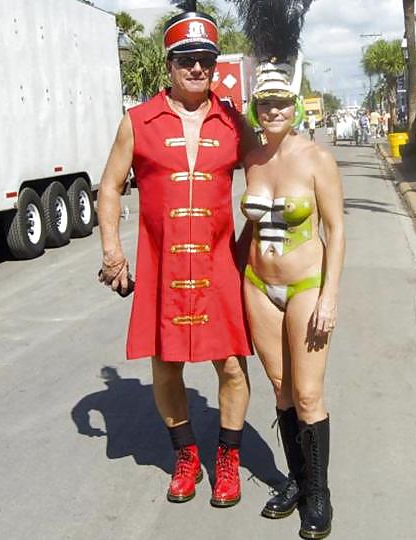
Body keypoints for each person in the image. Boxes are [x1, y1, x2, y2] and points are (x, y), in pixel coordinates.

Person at [96, 8, 256, 508]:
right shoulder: (138, 121)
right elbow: (109, 185)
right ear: (169, 64)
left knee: (230, 367)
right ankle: (185, 454)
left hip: (218, 268)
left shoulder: (233, 121)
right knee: (166, 367)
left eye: (205, 59)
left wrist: (263, 240)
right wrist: (112, 250)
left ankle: (226, 458)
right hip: (164, 270)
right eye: (186, 58)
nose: (196, 68)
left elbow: (268, 174)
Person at [234, 1, 345, 537]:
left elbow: (337, 230)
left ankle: (319, 495)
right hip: (258, 282)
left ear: (294, 104)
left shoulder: (317, 158)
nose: (274, 109)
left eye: (281, 101)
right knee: (279, 386)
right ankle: (296, 480)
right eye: (265, 103)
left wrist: (329, 295)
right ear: (256, 107)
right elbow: (245, 229)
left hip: (304, 283)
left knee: (307, 393)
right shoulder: (251, 159)